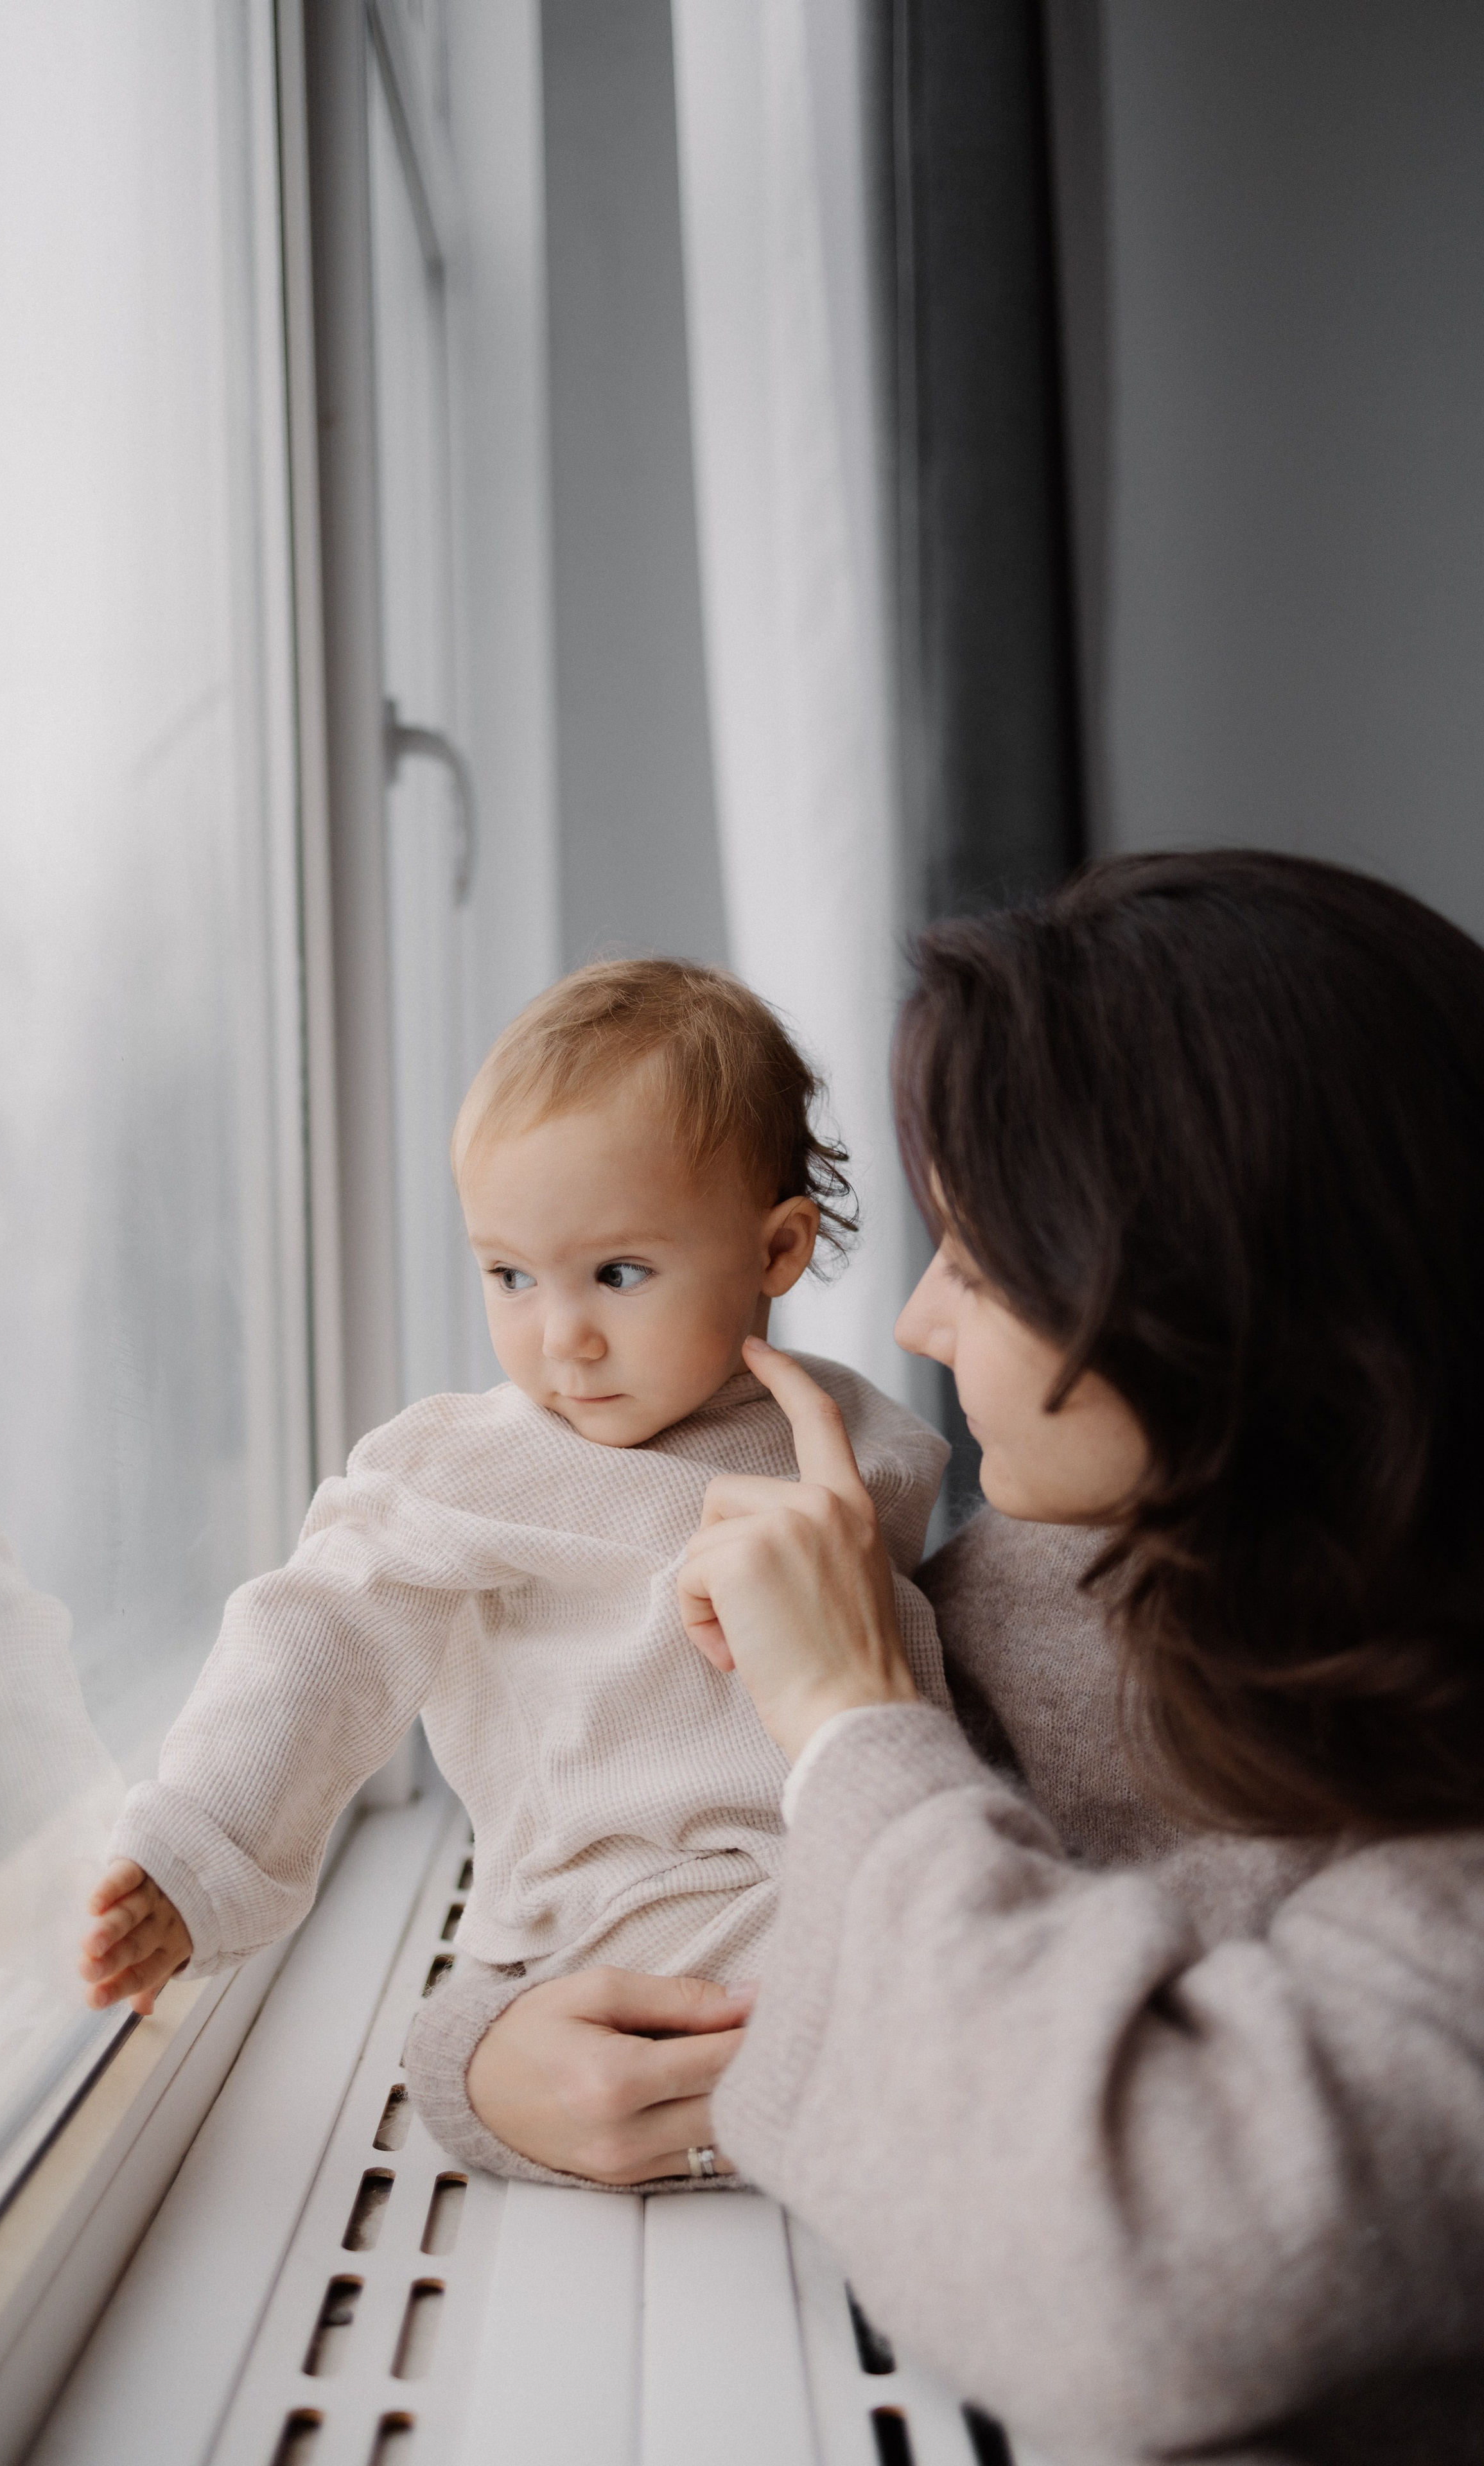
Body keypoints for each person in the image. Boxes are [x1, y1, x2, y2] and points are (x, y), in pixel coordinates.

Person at [430, 853, 1484, 2460]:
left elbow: (1135, 2275)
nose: (915, 1323)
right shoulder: (1041, 1580)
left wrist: (849, 1714)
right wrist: (484, 2058)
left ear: (1228, 1303)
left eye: (982, 1268)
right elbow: (777, 1917)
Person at [77, 959, 947, 2174]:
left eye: (619, 1275)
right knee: (908, 2011)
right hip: (613, 1919)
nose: (562, 1337)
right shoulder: (473, 1468)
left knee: (945, 1960)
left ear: (779, 1248)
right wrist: (195, 1856)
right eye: (511, 1276)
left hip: (848, 1860)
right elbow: (316, 1638)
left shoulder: (855, 1439)